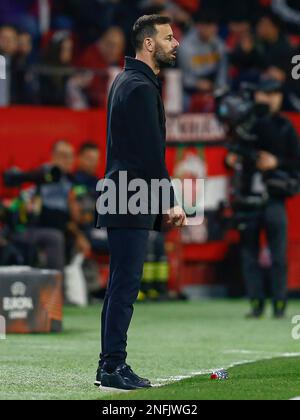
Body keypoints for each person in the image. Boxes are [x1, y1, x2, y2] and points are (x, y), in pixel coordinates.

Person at [95, 14, 186, 391]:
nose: (175, 43)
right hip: (131, 195)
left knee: (122, 285)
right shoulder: (140, 86)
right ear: (149, 44)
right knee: (125, 286)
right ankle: (112, 367)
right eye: (168, 37)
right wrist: (170, 201)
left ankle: (111, 365)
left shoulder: (127, 80)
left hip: (124, 192)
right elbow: (150, 154)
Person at [226, 79, 300, 319]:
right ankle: (256, 303)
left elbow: (296, 162)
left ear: (280, 97)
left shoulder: (286, 127)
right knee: (249, 253)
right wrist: (232, 159)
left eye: (274, 94)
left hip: (274, 197)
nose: (269, 99)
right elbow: (233, 152)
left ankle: (279, 303)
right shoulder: (247, 123)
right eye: (265, 94)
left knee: (278, 253)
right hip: (248, 196)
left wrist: (275, 162)